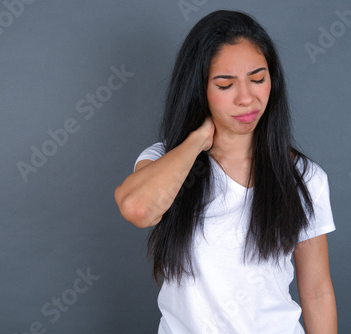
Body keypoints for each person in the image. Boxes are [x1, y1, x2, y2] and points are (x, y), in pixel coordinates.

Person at [114, 9, 337, 334]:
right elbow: (137, 209)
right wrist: (198, 139)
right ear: (199, 89)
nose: (246, 98)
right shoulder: (167, 161)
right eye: (225, 84)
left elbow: (316, 292)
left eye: (258, 79)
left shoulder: (302, 177)